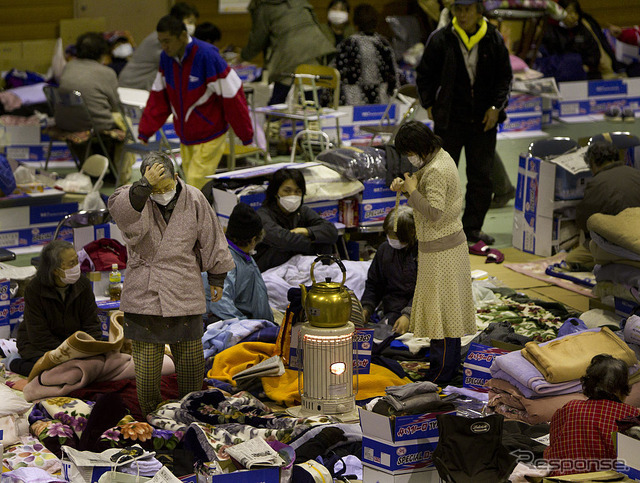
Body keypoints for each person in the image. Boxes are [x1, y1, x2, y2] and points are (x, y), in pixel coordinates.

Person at [108, 152, 234, 416]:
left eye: (166, 187)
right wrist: (143, 187)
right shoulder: (132, 196)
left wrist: (217, 277)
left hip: (184, 286)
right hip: (144, 292)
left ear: (176, 177)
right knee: (147, 369)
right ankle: (152, 416)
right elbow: (123, 215)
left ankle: (192, 412)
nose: (162, 192)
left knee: (191, 364)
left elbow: (211, 238)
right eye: (156, 189)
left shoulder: (195, 197)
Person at [416, 0, 512, 245]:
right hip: (450, 119)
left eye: (468, 9)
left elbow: (505, 79)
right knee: (444, 176)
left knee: (482, 177)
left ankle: (472, 229)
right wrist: (429, 103)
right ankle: (443, 227)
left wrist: (495, 108)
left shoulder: (493, 38)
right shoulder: (441, 38)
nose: (463, 14)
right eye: (459, 9)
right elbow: (425, 74)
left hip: (483, 120)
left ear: (479, 12)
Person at [390, 121, 476, 385]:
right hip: (439, 249)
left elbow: (435, 213)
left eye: (409, 152)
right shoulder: (435, 159)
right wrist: (407, 188)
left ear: (419, 147)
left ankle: (442, 373)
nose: (408, 158)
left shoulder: (437, 169)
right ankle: (442, 369)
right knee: (442, 313)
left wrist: (412, 190)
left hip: (444, 251)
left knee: (444, 316)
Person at [137, 15, 253, 190]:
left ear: (183, 36)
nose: (164, 46)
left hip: (211, 133)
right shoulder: (166, 58)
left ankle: (196, 217)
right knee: (188, 182)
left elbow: (233, 95)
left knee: (195, 184)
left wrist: (245, 133)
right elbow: (159, 96)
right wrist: (146, 130)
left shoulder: (207, 56)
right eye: (161, 42)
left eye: (167, 41)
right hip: (186, 135)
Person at [10, 240, 102, 377]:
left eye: (77, 261)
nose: (77, 266)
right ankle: (14, 363)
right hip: (39, 347)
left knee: (101, 365)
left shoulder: (83, 285)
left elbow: (92, 324)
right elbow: (39, 336)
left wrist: (88, 348)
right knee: (60, 373)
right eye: (71, 263)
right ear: (55, 270)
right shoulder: (34, 290)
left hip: (75, 346)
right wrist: (67, 354)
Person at [57, 32, 134, 183]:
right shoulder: (107, 72)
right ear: (103, 53)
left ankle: (91, 168)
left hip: (65, 123)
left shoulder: (69, 67)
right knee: (127, 125)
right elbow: (115, 106)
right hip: (94, 125)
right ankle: (122, 175)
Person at [544, 354, 640, 476]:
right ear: (622, 388)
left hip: (563, 478)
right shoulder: (633, 415)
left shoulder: (570, 408)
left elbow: (554, 448)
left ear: (588, 385)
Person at [240, 0, 335, 106]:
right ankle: (314, 119)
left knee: (278, 100)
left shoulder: (264, 6)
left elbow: (257, 40)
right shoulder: (300, 2)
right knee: (312, 96)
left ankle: (273, 120)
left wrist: (242, 57)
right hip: (315, 48)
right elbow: (316, 23)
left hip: (289, 54)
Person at [566, 140, 640, 270]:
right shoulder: (636, 174)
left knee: (573, 259)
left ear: (593, 163)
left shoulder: (597, 183)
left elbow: (585, 222)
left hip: (619, 241)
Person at [254, 168, 339, 272]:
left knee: (325, 243)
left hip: (301, 268)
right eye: (287, 191)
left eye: (297, 191)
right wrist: (316, 243)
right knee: (322, 243)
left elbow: (331, 231)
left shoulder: (303, 211)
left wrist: (307, 232)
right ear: (275, 192)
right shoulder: (262, 215)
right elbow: (283, 240)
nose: (292, 195)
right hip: (271, 270)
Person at [202, 203, 274, 322]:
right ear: (253, 240)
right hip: (232, 328)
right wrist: (248, 327)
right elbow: (220, 304)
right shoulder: (225, 261)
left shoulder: (244, 257)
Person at [118, 2, 199, 90]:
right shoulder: (162, 38)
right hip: (132, 84)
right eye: (190, 22)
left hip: (142, 83)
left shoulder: (172, 37)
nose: (192, 26)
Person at [361, 205, 418, 329]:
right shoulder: (384, 250)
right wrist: (366, 308)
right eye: (389, 234)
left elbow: (427, 290)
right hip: (392, 311)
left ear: (412, 232)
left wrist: (408, 314)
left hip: (421, 312)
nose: (392, 239)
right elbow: (374, 284)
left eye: (396, 236)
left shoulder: (425, 253)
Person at [335, 3, 400, 106]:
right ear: (376, 22)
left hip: (351, 105)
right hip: (381, 105)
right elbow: (393, 77)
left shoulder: (347, 44)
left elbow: (336, 75)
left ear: (355, 22)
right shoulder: (383, 44)